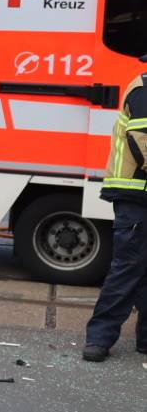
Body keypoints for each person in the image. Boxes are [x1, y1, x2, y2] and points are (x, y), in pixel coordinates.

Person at [84, 70, 147, 362]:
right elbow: (141, 140)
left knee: (137, 268)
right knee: (128, 267)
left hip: (138, 193)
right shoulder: (145, 87)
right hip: (136, 194)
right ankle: (99, 338)